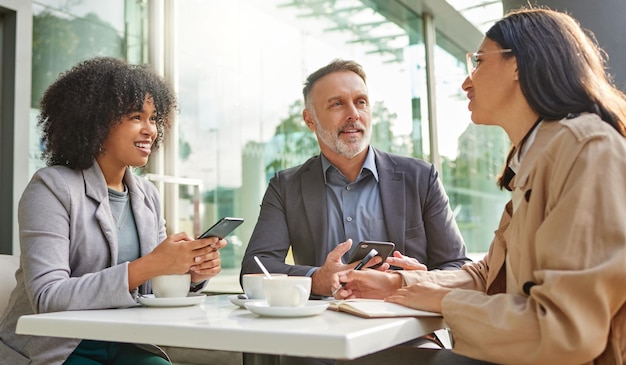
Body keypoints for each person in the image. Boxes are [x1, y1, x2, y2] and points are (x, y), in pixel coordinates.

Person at [333, 7, 626, 365]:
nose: (466, 81)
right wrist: (399, 285)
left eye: (479, 62)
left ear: (518, 65)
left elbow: (564, 330)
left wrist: (442, 301)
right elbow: (490, 274)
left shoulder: (587, 150)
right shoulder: (539, 157)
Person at [0, 57, 227, 365]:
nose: (151, 130)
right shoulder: (51, 188)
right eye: (137, 117)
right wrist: (151, 264)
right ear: (95, 121)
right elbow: (48, 297)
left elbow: (150, 292)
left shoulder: (147, 196)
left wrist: (191, 273)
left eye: (154, 119)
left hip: (126, 343)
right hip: (58, 349)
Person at [240, 59, 469, 299]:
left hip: (406, 330)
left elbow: (459, 268)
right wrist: (318, 279)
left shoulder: (421, 178)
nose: (353, 114)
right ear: (310, 120)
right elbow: (255, 269)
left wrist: (408, 281)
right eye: (337, 104)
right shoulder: (286, 186)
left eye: (361, 102)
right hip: (321, 330)